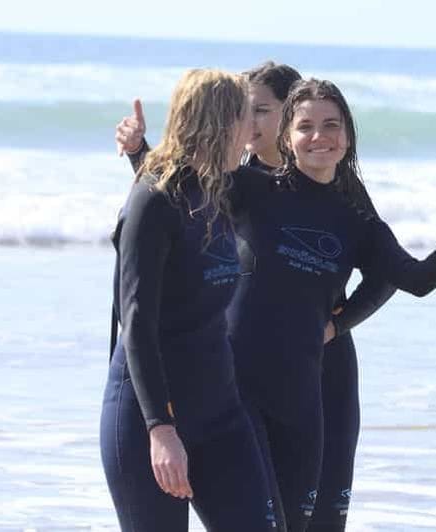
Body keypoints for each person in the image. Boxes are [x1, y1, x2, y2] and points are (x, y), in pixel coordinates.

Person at [116, 61, 396, 531]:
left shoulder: (337, 183)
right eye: (246, 112)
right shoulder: (237, 184)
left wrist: (335, 324)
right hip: (237, 377)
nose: (252, 125)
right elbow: (172, 195)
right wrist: (141, 153)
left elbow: (390, 270)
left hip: (320, 369)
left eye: (262, 111)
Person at [228, 78, 436, 532]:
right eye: (305, 126)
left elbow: (415, 280)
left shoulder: (355, 220)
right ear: (287, 136)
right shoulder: (249, 189)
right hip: (239, 387)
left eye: (331, 125)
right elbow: (177, 189)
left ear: (347, 137)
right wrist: (138, 151)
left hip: (303, 399)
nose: (319, 137)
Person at [100, 69, 276, 531]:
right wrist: (160, 428)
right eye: (245, 118)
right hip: (148, 420)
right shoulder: (152, 201)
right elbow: (136, 323)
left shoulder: (215, 189)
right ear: (219, 123)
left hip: (220, 412)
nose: (252, 132)